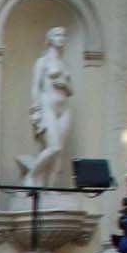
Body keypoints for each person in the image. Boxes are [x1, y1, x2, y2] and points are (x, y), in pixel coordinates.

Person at [21, 26, 74, 188]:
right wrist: (36, 109)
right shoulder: (43, 62)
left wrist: (64, 84)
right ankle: (31, 176)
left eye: (64, 35)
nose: (62, 38)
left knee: (60, 153)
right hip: (47, 104)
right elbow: (35, 86)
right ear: (50, 39)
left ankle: (50, 189)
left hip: (64, 108)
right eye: (58, 35)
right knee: (54, 147)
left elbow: (71, 91)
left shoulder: (63, 63)